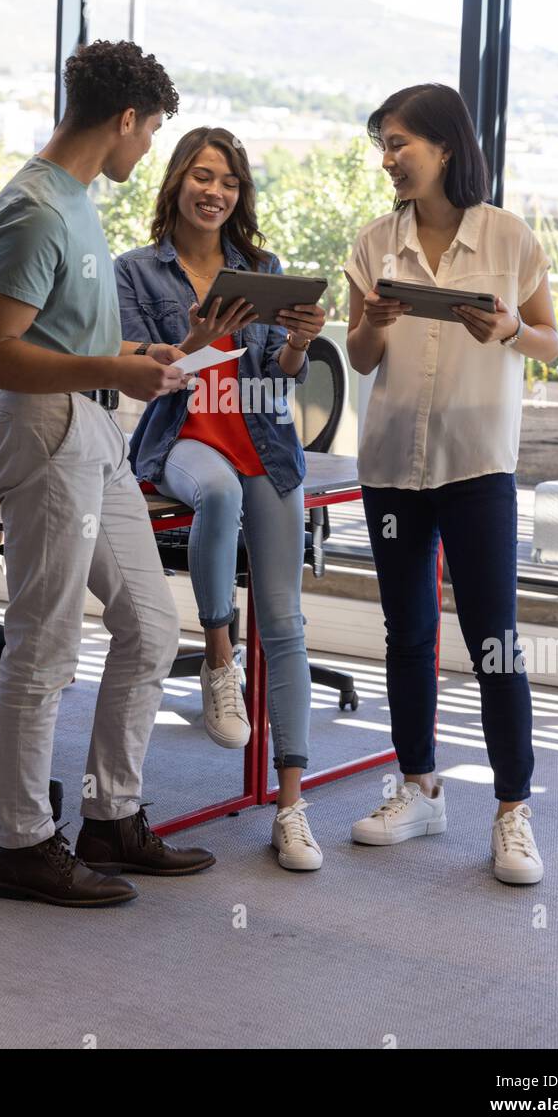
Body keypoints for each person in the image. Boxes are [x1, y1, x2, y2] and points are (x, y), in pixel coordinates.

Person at [0, 39, 216, 908]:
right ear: (122, 120)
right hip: (44, 432)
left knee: (150, 626)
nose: (147, 146)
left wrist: (124, 355)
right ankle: (23, 845)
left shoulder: (76, 200)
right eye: (149, 130)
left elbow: (61, 337)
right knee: (44, 641)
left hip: (91, 431)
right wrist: (113, 371)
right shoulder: (36, 209)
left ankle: (110, 815)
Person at [344, 83, 558, 886]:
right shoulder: (374, 241)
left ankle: (512, 811)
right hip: (393, 467)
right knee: (406, 634)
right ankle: (419, 785)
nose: (390, 159)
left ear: (445, 146)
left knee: (493, 643)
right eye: (384, 146)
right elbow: (360, 359)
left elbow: (548, 339)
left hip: (476, 469)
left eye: (401, 142)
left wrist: (505, 327)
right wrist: (372, 321)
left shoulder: (506, 236)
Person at [114, 126, 327, 871]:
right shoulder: (135, 272)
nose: (216, 192)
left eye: (230, 181)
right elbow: (142, 372)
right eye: (203, 176)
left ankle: (292, 806)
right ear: (175, 183)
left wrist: (298, 340)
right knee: (216, 498)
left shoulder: (258, 268)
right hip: (184, 438)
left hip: (264, 439)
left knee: (288, 621)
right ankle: (217, 658)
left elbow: (280, 371)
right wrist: (199, 340)